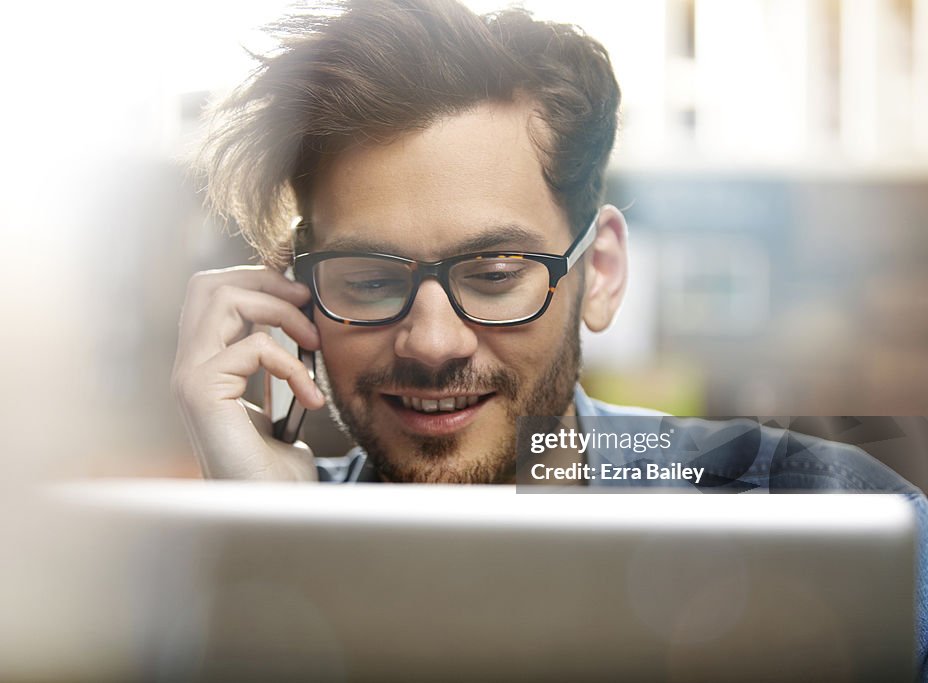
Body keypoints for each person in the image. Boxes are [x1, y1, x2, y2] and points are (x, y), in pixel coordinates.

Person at [171, 0, 926, 672]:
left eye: (495, 273)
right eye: (369, 279)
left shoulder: (824, 512)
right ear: (296, 291)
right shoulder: (240, 572)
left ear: (598, 273)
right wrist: (280, 552)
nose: (433, 344)